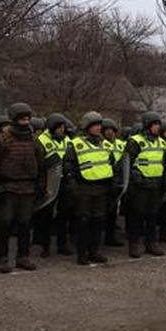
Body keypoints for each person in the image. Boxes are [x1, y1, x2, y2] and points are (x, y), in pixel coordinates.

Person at [0, 103, 46, 273]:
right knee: (4, 223)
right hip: (8, 187)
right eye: (21, 118)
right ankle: (2, 258)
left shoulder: (33, 139)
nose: (25, 121)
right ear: (14, 119)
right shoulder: (2, 140)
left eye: (27, 117)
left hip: (28, 188)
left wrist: (41, 184)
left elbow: (41, 163)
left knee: (25, 225)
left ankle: (23, 256)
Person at [64, 112, 115, 265]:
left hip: (101, 188)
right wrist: (72, 185)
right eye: (95, 125)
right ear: (87, 127)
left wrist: (113, 184)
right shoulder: (75, 144)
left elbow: (112, 164)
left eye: (100, 125)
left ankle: (94, 251)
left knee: (98, 221)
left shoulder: (105, 144)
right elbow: (68, 167)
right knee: (83, 221)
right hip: (83, 189)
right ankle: (82, 254)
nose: (99, 128)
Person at [124, 111, 166, 258]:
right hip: (140, 186)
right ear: (147, 126)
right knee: (137, 215)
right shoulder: (135, 141)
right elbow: (126, 163)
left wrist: (165, 180)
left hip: (156, 184)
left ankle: (151, 243)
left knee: (153, 215)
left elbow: (164, 162)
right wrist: (134, 176)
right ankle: (134, 244)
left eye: (158, 125)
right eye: (154, 124)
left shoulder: (162, 142)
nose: (157, 127)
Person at [34, 113, 73, 257]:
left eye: (63, 127)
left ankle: (62, 244)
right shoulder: (41, 141)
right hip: (49, 181)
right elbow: (38, 165)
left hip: (64, 181)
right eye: (59, 127)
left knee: (64, 214)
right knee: (46, 215)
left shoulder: (67, 140)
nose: (62, 130)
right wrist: (41, 184)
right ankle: (45, 246)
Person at [102, 118, 126, 246]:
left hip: (117, 181)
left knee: (112, 212)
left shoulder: (121, 144)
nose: (110, 132)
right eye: (107, 130)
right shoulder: (100, 144)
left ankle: (110, 238)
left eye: (112, 130)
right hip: (104, 180)